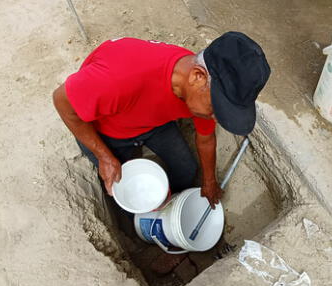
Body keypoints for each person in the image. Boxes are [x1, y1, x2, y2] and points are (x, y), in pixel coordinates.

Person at [52, 31, 270, 210]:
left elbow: (205, 139)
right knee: (125, 194)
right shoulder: (120, 79)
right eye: (217, 108)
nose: (216, 117)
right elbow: (62, 103)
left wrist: (209, 181)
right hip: (108, 131)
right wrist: (105, 157)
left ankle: (169, 206)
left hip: (153, 123)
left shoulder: (199, 89)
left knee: (186, 169)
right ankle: (140, 220)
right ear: (197, 77)